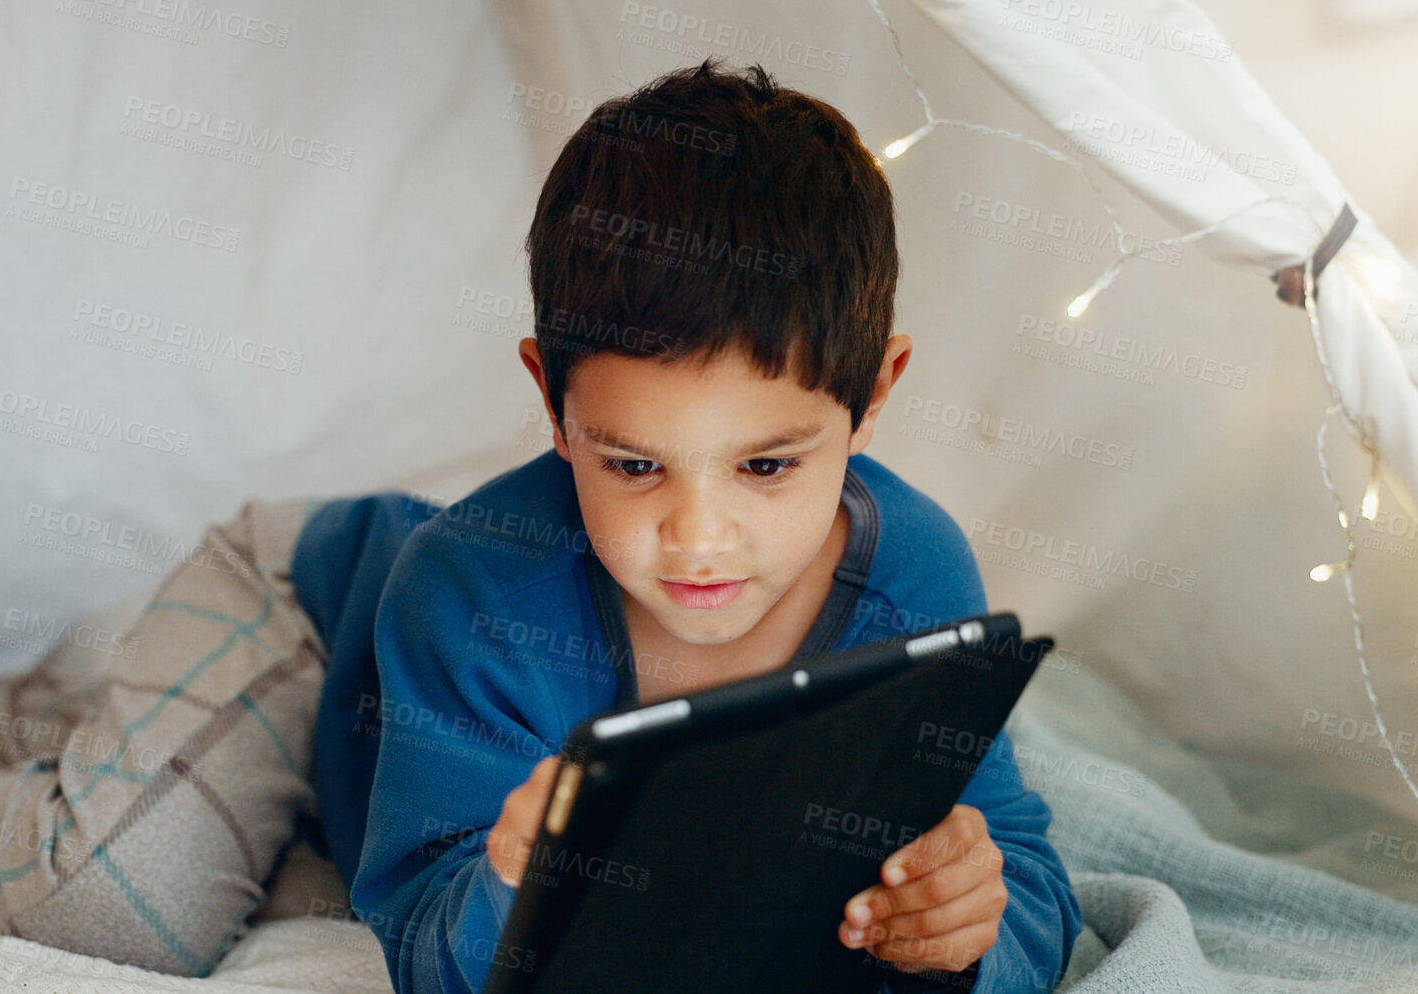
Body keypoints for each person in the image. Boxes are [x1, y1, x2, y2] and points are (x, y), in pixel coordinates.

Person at [323, 59, 1083, 994]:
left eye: (766, 465)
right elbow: (425, 952)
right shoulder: (469, 598)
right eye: (635, 465)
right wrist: (509, 883)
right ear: (553, 406)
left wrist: (961, 934)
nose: (699, 535)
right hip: (323, 597)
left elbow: (1025, 886)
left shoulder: (915, 576)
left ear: (873, 395)